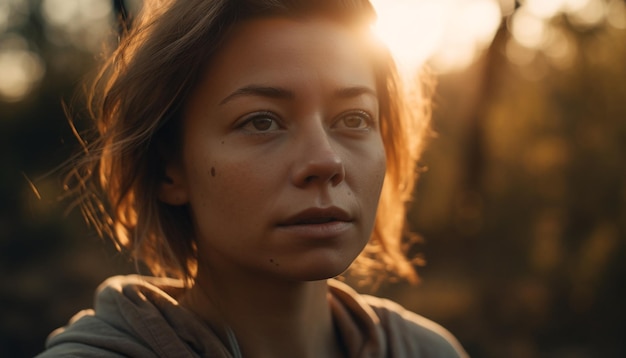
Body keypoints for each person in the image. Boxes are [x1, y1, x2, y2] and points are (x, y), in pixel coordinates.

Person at [38, 0, 468, 357]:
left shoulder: (428, 350)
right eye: (261, 122)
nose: (325, 161)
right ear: (169, 169)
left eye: (354, 117)